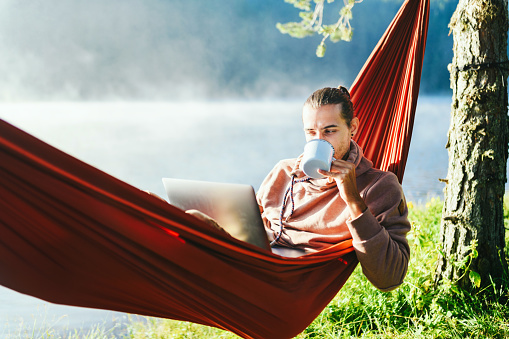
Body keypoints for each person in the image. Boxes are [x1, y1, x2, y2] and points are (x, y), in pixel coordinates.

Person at [189, 86, 411, 292]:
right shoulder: (284, 171)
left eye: (329, 131)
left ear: (352, 127)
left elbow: (389, 278)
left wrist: (353, 199)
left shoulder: (378, 186)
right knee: (189, 219)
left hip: (290, 281)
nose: (319, 140)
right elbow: (250, 224)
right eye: (311, 132)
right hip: (251, 260)